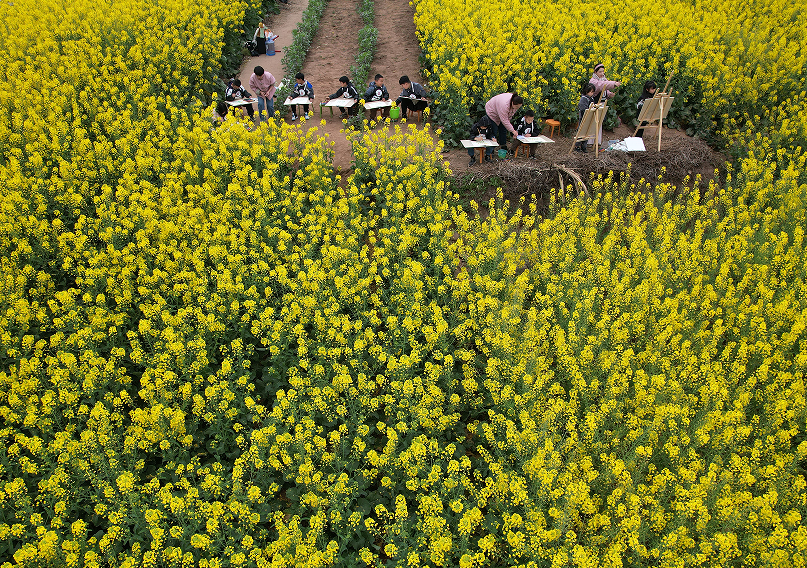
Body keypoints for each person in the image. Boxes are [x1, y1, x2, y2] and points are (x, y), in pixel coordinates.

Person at [575, 83, 596, 152]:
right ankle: (577, 145)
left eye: (593, 92)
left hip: (589, 117)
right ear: (586, 91)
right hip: (583, 118)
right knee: (581, 131)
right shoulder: (584, 98)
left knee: (587, 132)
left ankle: (584, 146)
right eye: (591, 92)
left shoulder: (591, 98)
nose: (592, 93)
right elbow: (582, 108)